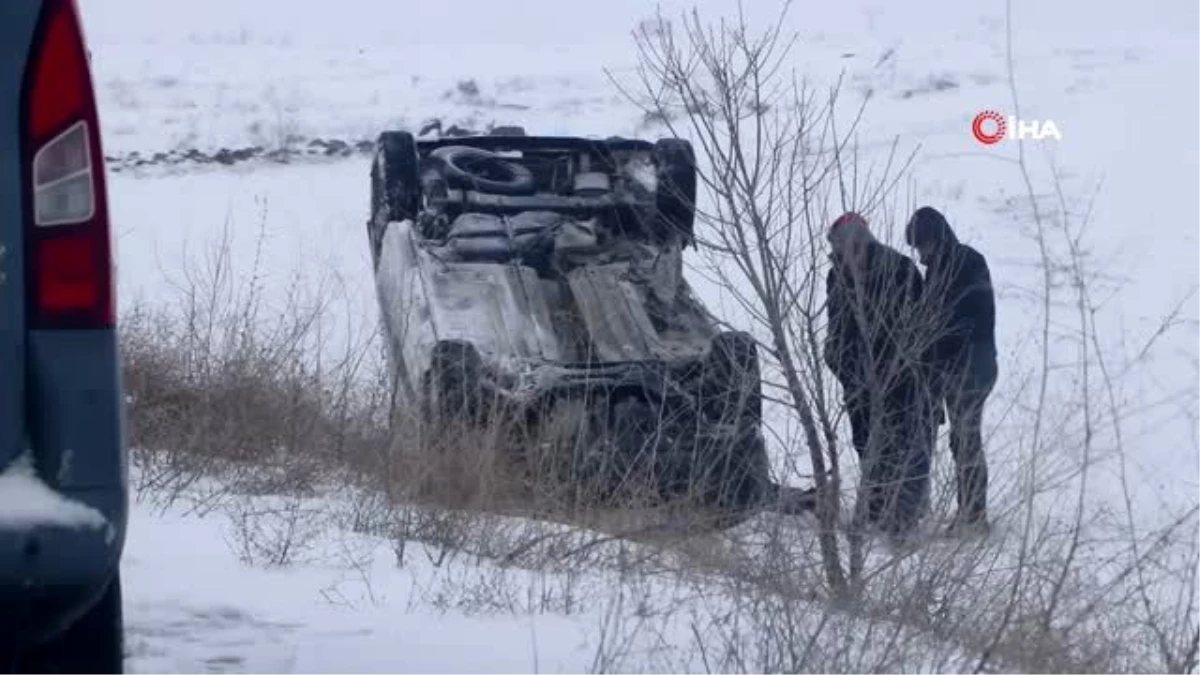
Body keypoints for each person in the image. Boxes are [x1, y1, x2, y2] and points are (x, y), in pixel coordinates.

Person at [824, 212, 933, 539]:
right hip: (858, 379)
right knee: (866, 442)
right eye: (840, 250)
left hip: (902, 377)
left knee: (907, 443)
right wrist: (845, 367)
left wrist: (894, 367)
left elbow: (917, 327)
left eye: (851, 247)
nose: (846, 255)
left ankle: (904, 522)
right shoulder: (837, 277)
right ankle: (876, 507)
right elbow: (838, 331)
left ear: (863, 241)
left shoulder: (900, 270)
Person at [905, 206, 998, 536]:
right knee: (964, 439)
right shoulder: (957, 261)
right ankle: (972, 512)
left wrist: (932, 358)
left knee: (966, 440)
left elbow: (952, 322)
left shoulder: (956, 264)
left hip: (969, 367)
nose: (920, 255)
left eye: (920, 246)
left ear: (933, 238)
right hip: (972, 364)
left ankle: (974, 516)